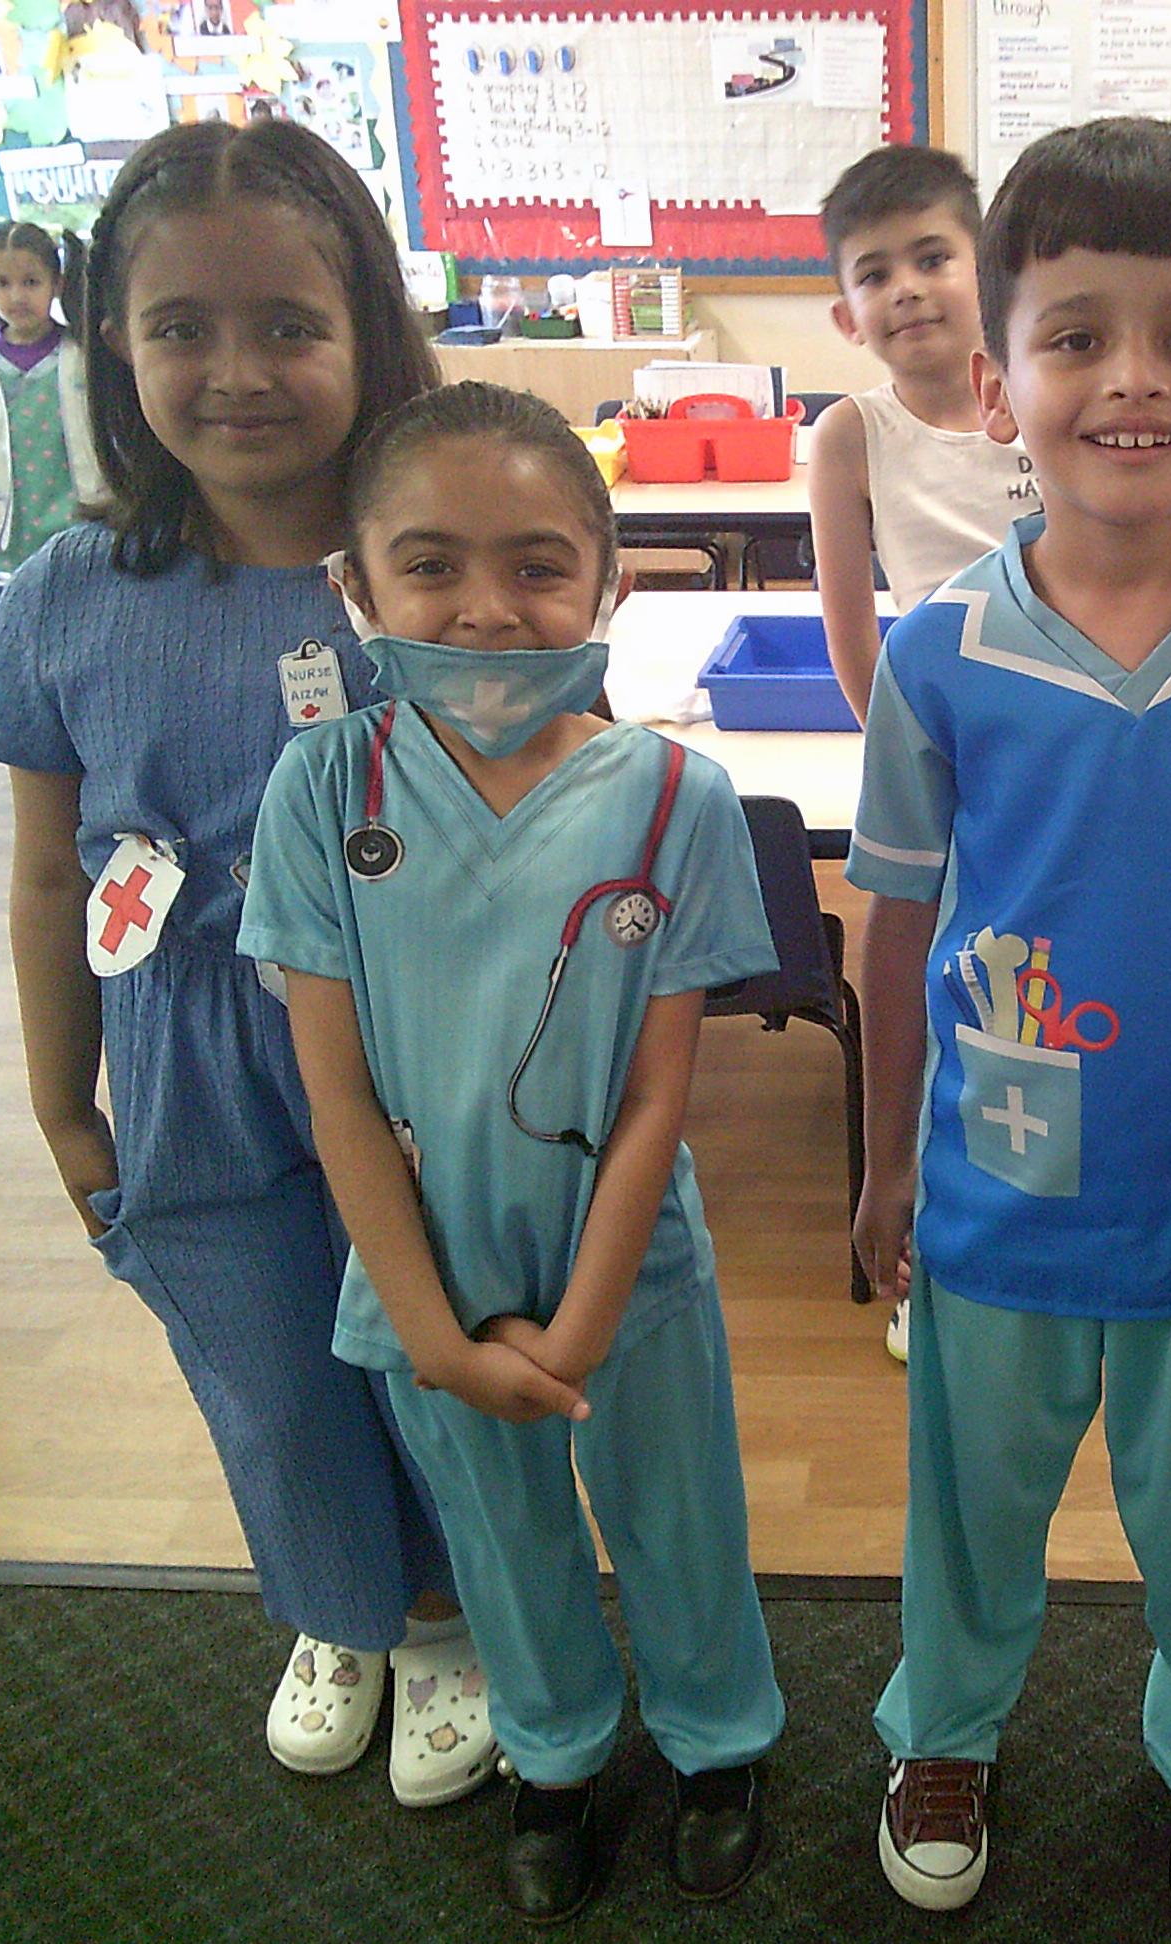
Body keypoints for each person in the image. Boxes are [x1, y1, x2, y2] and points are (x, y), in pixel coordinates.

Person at [849, 117, 1171, 1931]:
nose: (1135, 378)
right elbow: (895, 925)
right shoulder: (940, 651)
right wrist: (880, 1167)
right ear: (997, 386)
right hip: (1000, 1181)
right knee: (971, 1506)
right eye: (1077, 335)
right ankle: (943, 1730)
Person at [0, 120, 490, 1806]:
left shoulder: (435, 580)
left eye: (289, 326)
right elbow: (49, 872)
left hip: (408, 1050)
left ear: (366, 334)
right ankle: (340, 1606)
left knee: (431, 1341)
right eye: (182, 326)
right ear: (113, 337)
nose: (237, 372)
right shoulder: (67, 591)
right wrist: (62, 1101)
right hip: (182, 1046)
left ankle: (454, 1608)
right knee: (260, 1361)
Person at [240, 381, 786, 1920]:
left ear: (610, 583)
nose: (486, 609)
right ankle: (552, 1754)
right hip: (425, 1276)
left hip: (631, 1271)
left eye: (539, 565)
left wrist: (590, 1316)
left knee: (681, 1520)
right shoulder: (321, 791)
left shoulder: (676, 798)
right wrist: (429, 1331)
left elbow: (658, 1099)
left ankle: (720, 1742)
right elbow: (338, 1095)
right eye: (430, 565)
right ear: (354, 586)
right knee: (501, 1540)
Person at [808, 143, 1041, 1367]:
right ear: (845, 312)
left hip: (1079, 753)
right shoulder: (853, 433)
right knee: (959, 1013)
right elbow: (855, 636)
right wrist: (909, 763)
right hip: (950, 766)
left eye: (932, 257)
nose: (906, 288)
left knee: (1072, 995)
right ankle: (936, 1259)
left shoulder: (1040, 391)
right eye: (875, 272)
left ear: (985, 265)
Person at [0, 219, 107, 572]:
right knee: (26, 593)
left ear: (57, 284)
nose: (17, 297)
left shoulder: (82, 352)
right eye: (2, 283)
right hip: (12, 522)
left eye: (31, 282)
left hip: (82, 511)